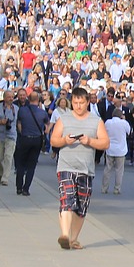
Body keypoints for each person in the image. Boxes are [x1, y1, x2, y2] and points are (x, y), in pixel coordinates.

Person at [50, 86, 109, 250]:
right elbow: (54, 140)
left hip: (86, 168)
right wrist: (64, 141)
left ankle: (73, 238)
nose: (78, 106)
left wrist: (89, 141)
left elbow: (105, 143)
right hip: (66, 166)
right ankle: (65, 235)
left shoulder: (96, 121)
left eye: (81, 102)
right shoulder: (64, 119)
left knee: (81, 205)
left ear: (87, 102)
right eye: (75, 102)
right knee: (67, 199)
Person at [13, 88, 48, 196]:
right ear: (38, 100)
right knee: (31, 165)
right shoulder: (42, 112)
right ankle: (26, 188)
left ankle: (19, 187)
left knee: (20, 163)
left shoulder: (22, 110)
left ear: (28, 99)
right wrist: (44, 132)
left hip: (25, 138)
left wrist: (22, 132)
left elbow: (19, 123)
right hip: (37, 139)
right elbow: (48, 125)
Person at [0, 90, 20, 188]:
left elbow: (18, 122)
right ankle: (1, 173)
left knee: (8, 157)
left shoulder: (16, 109)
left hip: (12, 135)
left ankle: (5, 178)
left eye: (12, 97)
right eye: (9, 97)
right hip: (0, 135)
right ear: (4, 98)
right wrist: (0, 121)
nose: (11, 99)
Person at [102, 107, 131, 195]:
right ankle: (117, 188)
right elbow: (129, 132)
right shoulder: (124, 123)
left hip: (110, 148)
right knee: (119, 170)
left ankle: (104, 188)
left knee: (108, 169)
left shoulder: (108, 122)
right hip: (120, 149)